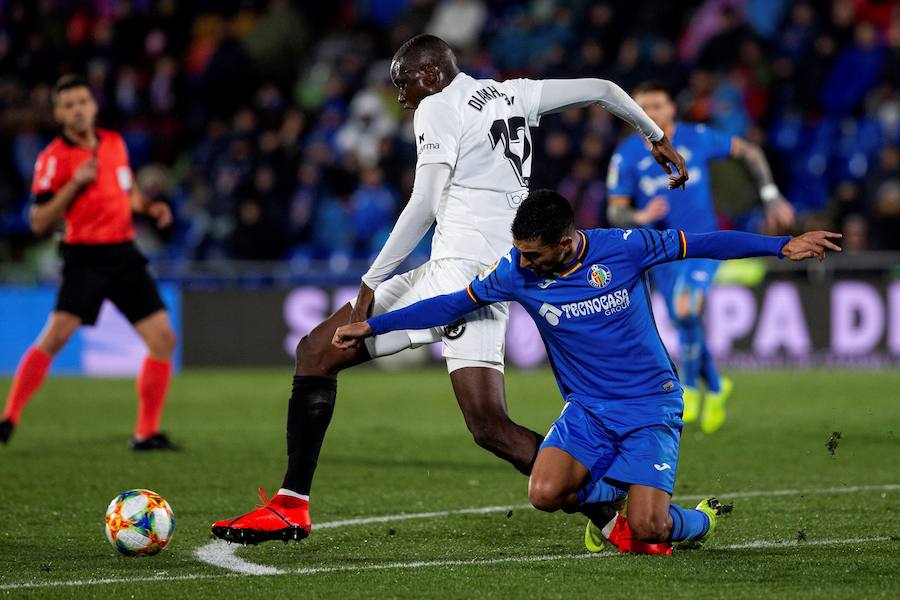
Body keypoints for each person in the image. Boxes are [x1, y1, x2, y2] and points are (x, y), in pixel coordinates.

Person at [211, 34, 688, 545]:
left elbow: (425, 203)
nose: (400, 95)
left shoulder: (438, 106)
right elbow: (602, 87)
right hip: (495, 274)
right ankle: (612, 517)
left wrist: (372, 280)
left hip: (457, 276)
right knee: (489, 427)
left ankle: (290, 507)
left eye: (404, 82)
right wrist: (653, 133)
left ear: (432, 74)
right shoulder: (514, 94)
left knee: (314, 353)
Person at [333, 190, 840, 554]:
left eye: (533, 253)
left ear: (566, 241)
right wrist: (373, 327)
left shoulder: (623, 248)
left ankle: (698, 519)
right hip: (589, 410)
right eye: (520, 250)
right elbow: (450, 304)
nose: (521, 261)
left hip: (650, 404)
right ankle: (614, 491)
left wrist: (781, 246)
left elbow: (702, 243)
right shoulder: (516, 272)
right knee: (544, 493)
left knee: (648, 530)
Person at [606, 81, 796, 433]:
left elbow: (750, 152)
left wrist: (770, 195)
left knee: (685, 308)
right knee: (684, 322)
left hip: (701, 244)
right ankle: (718, 385)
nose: (651, 112)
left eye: (658, 105)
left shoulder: (697, 137)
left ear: (672, 109)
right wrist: (640, 218)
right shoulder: (626, 155)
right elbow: (615, 212)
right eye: (642, 107)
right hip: (659, 252)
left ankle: (689, 388)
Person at [0, 75, 177, 451]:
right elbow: (37, 221)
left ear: (93, 106)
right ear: (59, 114)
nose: (78, 109)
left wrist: (149, 207)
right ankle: (8, 417)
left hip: (125, 253)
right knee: (56, 336)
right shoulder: (53, 158)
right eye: (69, 104)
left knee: (163, 338)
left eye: (83, 101)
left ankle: (146, 432)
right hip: (86, 257)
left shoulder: (113, 143)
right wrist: (73, 185)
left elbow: (127, 192)